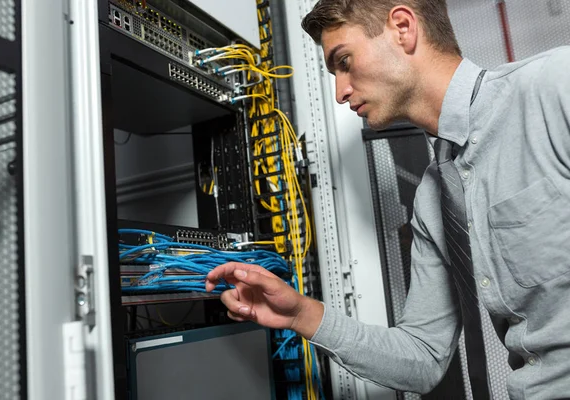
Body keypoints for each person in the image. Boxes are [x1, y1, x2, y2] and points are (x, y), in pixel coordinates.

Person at [206, 0, 570, 398]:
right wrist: (301, 314)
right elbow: (424, 355)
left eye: (344, 61)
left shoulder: (553, 88)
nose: (341, 92)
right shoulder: (435, 198)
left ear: (402, 27)